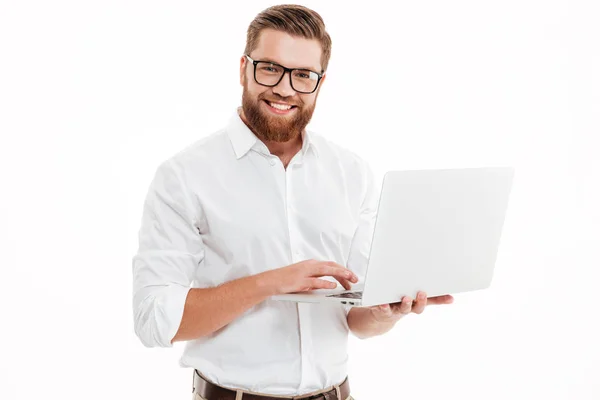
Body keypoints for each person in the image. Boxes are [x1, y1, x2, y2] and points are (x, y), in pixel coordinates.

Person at [131, 4, 454, 400]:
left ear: (319, 83)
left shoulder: (351, 173)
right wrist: (271, 283)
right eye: (270, 68)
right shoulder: (184, 176)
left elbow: (356, 318)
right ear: (243, 69)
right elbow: (153, 319)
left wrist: (387, 311)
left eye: (303, 75)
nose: (285, 88)